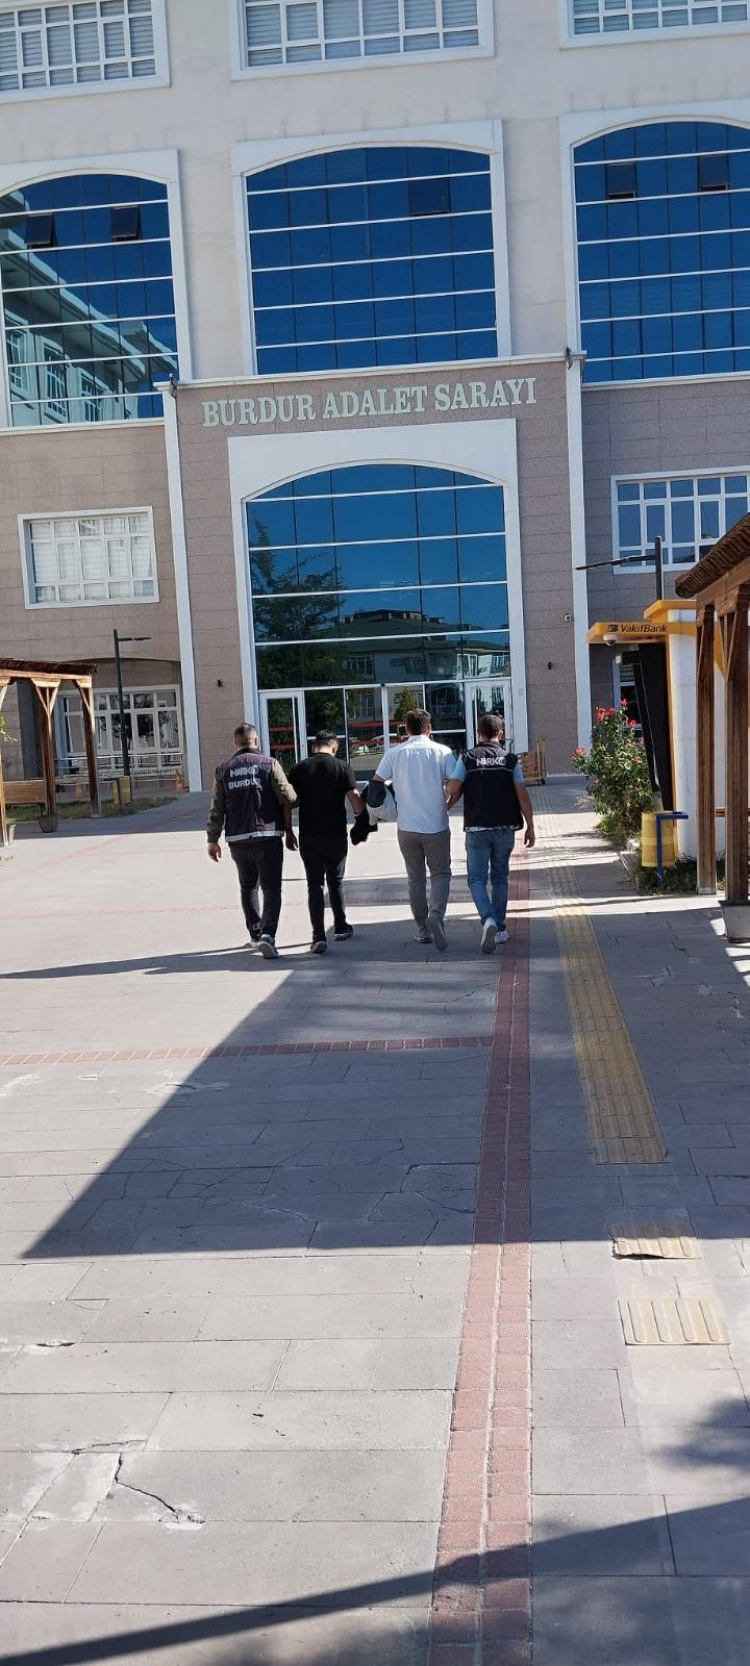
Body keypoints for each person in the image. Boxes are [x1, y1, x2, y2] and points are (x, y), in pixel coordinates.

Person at [206, 722, 297, 960]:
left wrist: (212, 839)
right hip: (268, 835)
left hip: (238, 839)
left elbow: (217, 808)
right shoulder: (269, 764)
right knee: (271, 887)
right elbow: (288, 797)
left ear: (234, 743)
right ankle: (268, 935)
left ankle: (255, 934)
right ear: (256, 741)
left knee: (248, 887)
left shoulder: (223, 771)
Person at [447, 712, 535, 954]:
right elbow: (522, 795)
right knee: (500, 878)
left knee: (476, 879)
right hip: (505, 827)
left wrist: (449, 790)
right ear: (501, 734)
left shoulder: (467, 758)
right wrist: (530, 825)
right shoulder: (510, 760)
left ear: (478, 734)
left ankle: (488, 919)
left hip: (477, 828)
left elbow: (453, 788)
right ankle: (500, 928)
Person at [372, 708, 456, 951]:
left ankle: (422, 928)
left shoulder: (394, 753)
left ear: (406, 729)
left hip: (406, 825)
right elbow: (454, 784)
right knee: (440, 874)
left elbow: (376, 783)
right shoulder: (443, 752)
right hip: (436, 824)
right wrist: (448, 804)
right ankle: (436, 916)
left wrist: (387, 809)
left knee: (415, 878)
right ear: (429, 728)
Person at [288, 732, 364, 954]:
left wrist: (288, 831)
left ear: (314, 747)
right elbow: (354, 797)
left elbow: (286, 801)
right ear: (334, 748)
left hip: (309, 835)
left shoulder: (299, 769)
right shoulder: (342, 767)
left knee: (314, 885)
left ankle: (318, 936)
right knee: (336, 881)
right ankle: (340, 926)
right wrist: (362, 821)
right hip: (335, 835)